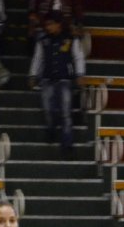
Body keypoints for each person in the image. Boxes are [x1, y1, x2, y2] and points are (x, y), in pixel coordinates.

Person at [29, 13, 85, 157]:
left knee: (66, 113)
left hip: (65, 79)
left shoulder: (70, 39)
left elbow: (78, 57)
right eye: (47, 25)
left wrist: (79, 74)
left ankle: (67, 143)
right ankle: (51, 129)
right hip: (47, 79)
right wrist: (33, 75)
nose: (48, 27)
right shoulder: (43, 40)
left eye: (50, 24)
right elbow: (38, 58)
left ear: (58, 24)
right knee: (48, 109)